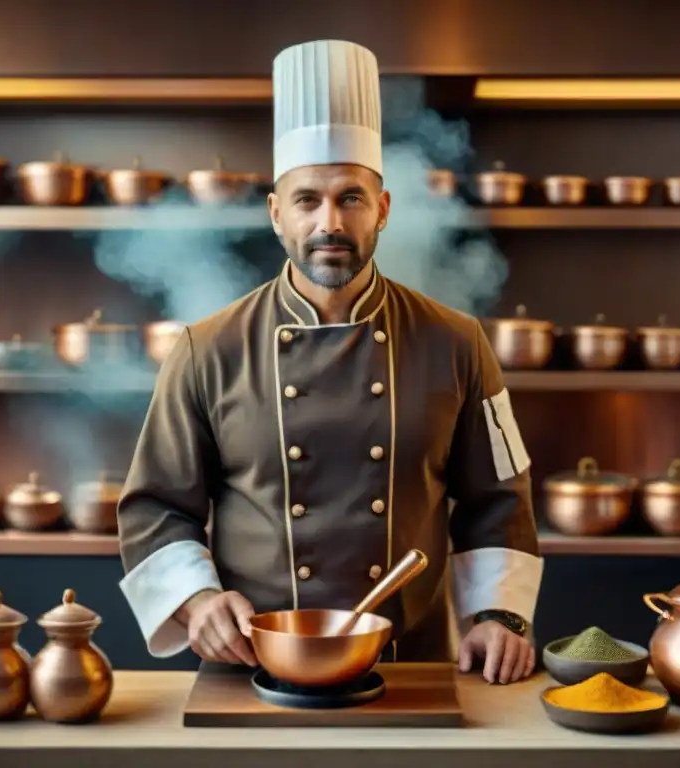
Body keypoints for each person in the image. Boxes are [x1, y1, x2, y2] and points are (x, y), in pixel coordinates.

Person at [117, 39, 543, 685]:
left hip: (408, 665)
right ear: (276, 215)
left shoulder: (457, 341)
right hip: (252, 663)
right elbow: (155, 506)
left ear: (383, 209)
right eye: (307, 199)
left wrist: (498, 616)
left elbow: (497, 498)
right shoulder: (208, 347)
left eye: (351, 197)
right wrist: (197, 599)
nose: (329, 222)